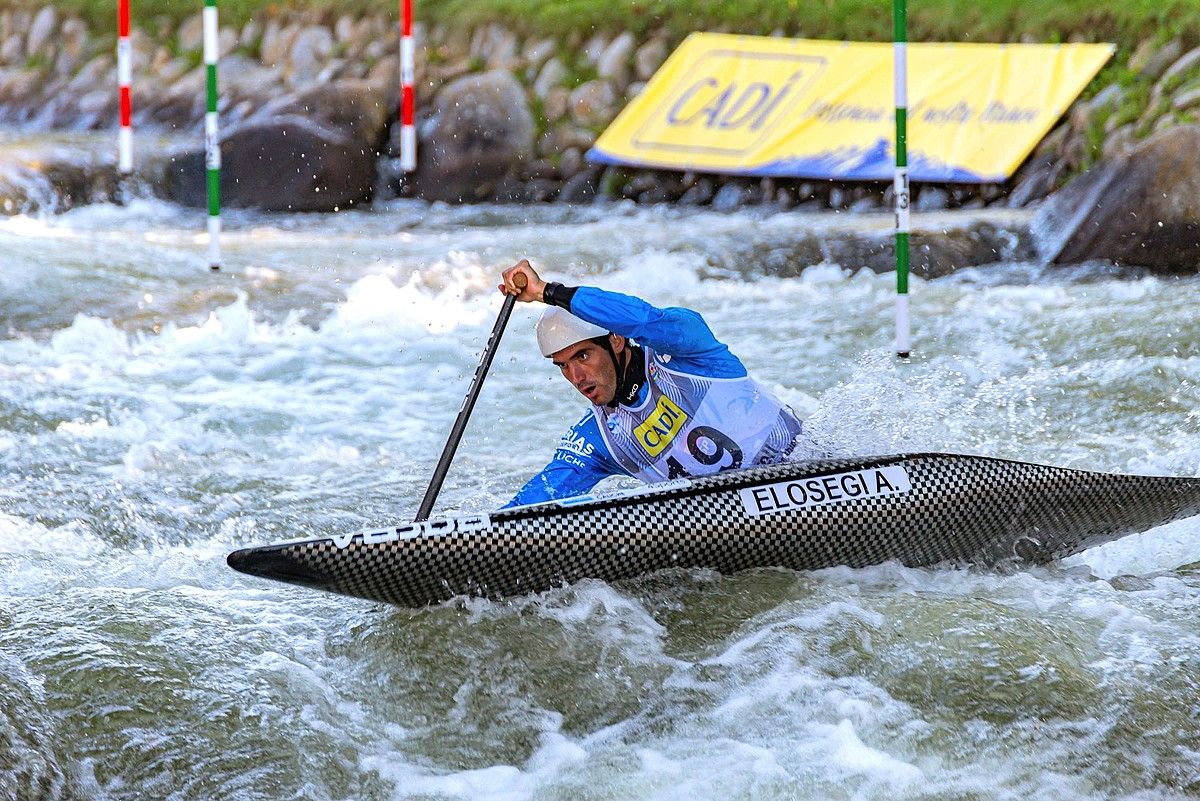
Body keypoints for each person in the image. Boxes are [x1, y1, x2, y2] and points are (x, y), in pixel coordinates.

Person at [498, 259, 804, 508]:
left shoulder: (691, 356)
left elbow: (644, 319)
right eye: (563, 366)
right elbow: (534, 505)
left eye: (583, 356)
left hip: (807, 477)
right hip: (732, 522)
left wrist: (548, 292)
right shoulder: (601, 438)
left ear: (616, 339)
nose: (576, 377)